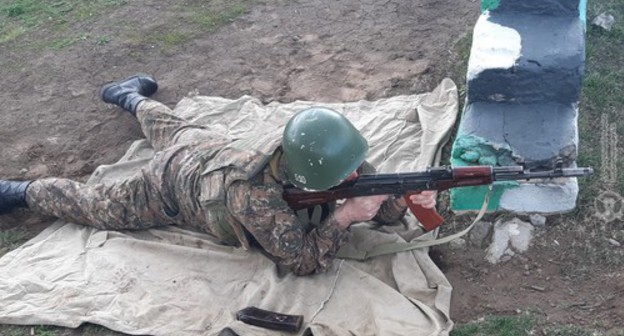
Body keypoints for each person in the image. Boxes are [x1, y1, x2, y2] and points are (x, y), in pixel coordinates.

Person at [0, 75, 436, 275]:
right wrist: (342, 218)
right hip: (171, 186)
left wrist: (399, 201)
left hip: (210, 147)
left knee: (170, 125)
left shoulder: (333, 156)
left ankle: (129, 96)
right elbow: (301, 260)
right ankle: (21, 191)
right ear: (311, 175)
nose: (359, 174)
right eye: (349, 172)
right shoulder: (254, 198)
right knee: (96, 205)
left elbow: (375, 203)